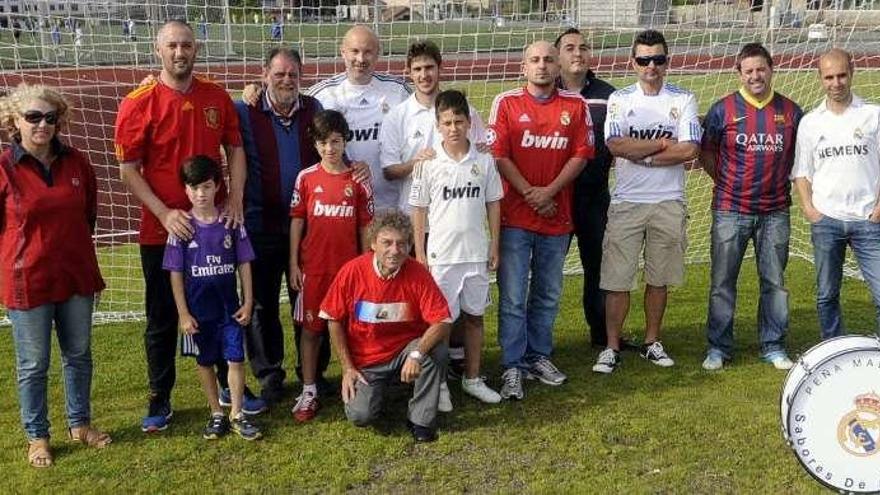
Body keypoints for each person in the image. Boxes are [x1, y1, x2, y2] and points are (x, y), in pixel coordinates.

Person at [115, 20, 252, 433]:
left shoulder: (215, 96)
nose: (180, 52)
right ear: (159, 51)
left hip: (215, 226)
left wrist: (236, 198)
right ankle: (160, 397)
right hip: (164, 231)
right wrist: (162, 212)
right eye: (172, 45)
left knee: (225, 308)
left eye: (187, 45)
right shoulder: (138, 102)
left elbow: (236, 149)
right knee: (162, 316)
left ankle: (232, 390)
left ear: (196, 49)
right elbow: (127, 169)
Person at [0, 83, 110, 467]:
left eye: (50, 117)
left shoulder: (77, 162)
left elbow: (89, 215)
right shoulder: (4, 169)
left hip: (76, 276)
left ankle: (80, 424)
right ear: (15, 121)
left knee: (78, 355)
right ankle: (38, 436)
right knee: (34, 364)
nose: (42, 124)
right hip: (26, 280)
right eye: (33, 117)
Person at [488, 40, 594, 400]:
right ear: (523, 66)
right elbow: (499, 156)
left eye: (549, 59)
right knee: (514, 297)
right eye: (535, 60)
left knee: (547, 295)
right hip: (515, 219)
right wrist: (532, 193)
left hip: (556, 218)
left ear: (558, 65)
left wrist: (548, 192)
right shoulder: (506, 103)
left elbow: (581, 155)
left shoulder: (575, 105)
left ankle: (539, 356)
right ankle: (512, 366)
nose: (543, 66)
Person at [592, 29, 701, 374]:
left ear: (667, 62)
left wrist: (647, 155)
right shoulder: (620, 100)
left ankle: (652, 342)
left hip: (668, 201)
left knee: (659, 278)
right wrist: (663, 146)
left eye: (657, 59)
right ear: (633, 63)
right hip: (627, 202)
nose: (651, 66)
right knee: (617, 280)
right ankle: (612, 346)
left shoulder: (684, 99)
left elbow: (690, 149)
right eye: (644, 59)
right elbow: (616, 146)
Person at [379, 40, 487, 390]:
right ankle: (421, 366)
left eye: (430, 67)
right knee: (423, 302)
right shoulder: (398, 115)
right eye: (418, 69)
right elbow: (389, 169)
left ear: (440, 68)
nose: (425, 75)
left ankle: (457, 360)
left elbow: (482, 153)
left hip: (458, 224)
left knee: (457, 298)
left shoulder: (464, 109)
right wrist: (418, 162)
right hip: (416, 223)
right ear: (409, 74)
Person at [700, 43, 803, 371]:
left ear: (771, 70)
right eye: (749, 71)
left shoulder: (791, 111)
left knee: (774, 281)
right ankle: (718, 347)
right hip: (731, 209)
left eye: (761, 69)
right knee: (722, 281)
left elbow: (800, 157)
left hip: (775, 211)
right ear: (739, 73)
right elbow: (707, 152)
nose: (755, 76)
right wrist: (727, 181)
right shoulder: (722, 110)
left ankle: (773, 345)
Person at [236, 47, 323, 404]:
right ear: (264, 74)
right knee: (261, 304)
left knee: (309, 299)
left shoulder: (313, 110)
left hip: (306, 227)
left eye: (293, 74)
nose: (286, 80)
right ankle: (270, 373)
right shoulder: (245, 110)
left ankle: (312, 373)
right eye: (279, 73)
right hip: (260, 223)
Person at [319, 210, 452, 442]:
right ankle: (381, 390)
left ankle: (420, 419)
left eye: (401, 244)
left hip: (404, 351)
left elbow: (441, 321)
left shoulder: (418, 273)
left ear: (409, 245)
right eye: (387, 243)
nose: (394, 250)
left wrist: (417, 354)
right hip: (366, 361)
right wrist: (347, 367)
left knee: (435, 350)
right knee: (361, 415)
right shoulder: (353, 271)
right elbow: (333, 318)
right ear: (373, 243)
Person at [409, 89, 503, 404]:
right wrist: (420, 254)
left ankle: (472, 379)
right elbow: (418, 209)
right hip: (441, 256)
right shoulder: (428, 162)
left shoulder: (485, 160)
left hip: (475, 254)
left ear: (468, 122)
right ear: (438, 125)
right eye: (447, 122)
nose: (453, 128)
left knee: (475, 317)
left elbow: (493, 204)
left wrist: (495, 246)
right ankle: (440, 384)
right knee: (441, 322)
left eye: (458, 121)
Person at [163, 156, 262, 441]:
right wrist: (183, 313)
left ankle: (237, 413)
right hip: (198, 313)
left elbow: (244, 262)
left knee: (235, 359)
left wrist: (248, 299)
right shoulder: (181, 227)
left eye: (206, 187)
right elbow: (175, 273)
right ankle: (216, 412)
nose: (201, 194)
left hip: (229, 310)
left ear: (217, 186)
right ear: (185, 189)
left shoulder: (231, 223)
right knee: (204, 361)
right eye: (194, 188)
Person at [289, 110, 373, 422]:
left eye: (335, 141)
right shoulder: (306, 178)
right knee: (311, 331)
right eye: (323, 142)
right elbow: (297, 222)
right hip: (314, 270)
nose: (329, 148)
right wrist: (294, 262)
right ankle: (309, 389)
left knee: (355, 329)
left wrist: (366, 267)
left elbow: (366, 227)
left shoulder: (359, 180)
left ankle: (357, 380)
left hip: (349, 272)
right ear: (315, 143)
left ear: (345, 141)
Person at [792, 48, 880, 339]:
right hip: (826, 221)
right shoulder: (810, 122)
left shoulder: (873, 115)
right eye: (829, 77)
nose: (836, 82)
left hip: (868, 219)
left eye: (842, 75)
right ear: (820, 78)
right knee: (827, 295)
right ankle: (834, 348)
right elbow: (801, 172)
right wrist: (810, 210)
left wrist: (879, 209)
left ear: (852, 73)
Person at [554, 27, 617, 349]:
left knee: (598, 269)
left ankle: (602, 336)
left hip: (594, 197)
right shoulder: (544, 92)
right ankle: (538, 341)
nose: (577, 53)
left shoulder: (609, 95)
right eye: (569, 48)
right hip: (555, 199)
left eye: (583, 47)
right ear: (557, 56)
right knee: (548, 271)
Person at [307, 25, 411, 211]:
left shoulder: (399, 91)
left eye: (368, 52)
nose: (361, 59)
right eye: (355, 51)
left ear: (378, 54)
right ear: (343, 52)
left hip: (392, 206)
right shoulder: (321, 95)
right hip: (342, 207)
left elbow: (430, 111)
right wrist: (256, 91)